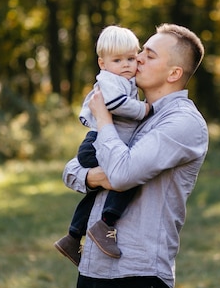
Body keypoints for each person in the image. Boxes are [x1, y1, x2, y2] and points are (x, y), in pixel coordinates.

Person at [61, 23, 208, 288]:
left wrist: (103, 119)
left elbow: (121, 174)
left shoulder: (182, 123)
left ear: (174, 73)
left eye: (149, 55)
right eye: (141, 51)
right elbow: (71, 170)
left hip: (137, 277)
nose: (137, 58)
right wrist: (96, 177)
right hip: (92, 269)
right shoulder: (131, 112)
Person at [54, 25, 151, 266]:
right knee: (127, 178)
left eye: (131, 58)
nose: (127, 65)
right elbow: (117, 104)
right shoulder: (110, 81)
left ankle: (73, 237)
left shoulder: (123, 80)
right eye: (117, 60)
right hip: (96, 144)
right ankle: (105, 225)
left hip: (102, 143)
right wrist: (145, 109)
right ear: (102, 63)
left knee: (101, 189)